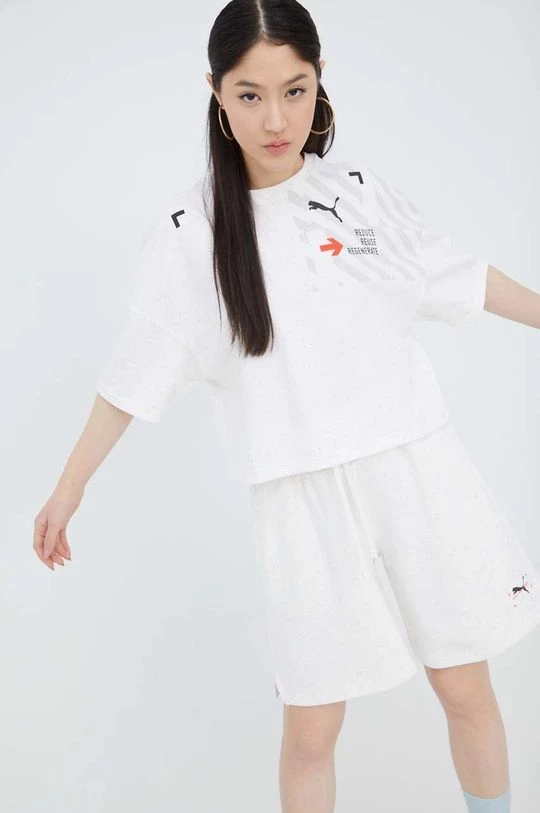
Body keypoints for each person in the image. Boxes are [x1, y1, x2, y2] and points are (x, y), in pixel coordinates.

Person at [32, 2, 540, 811]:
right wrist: (69, 487)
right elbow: (136, 369)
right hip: (301, 497)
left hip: (416, 466)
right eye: (249, 95)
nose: (275, 119)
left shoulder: (359, 194)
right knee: (311, 728)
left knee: (465, 686)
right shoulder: (192, 230)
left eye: (294, 90)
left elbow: (462, 277)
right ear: (215, 91)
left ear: (320, 80)